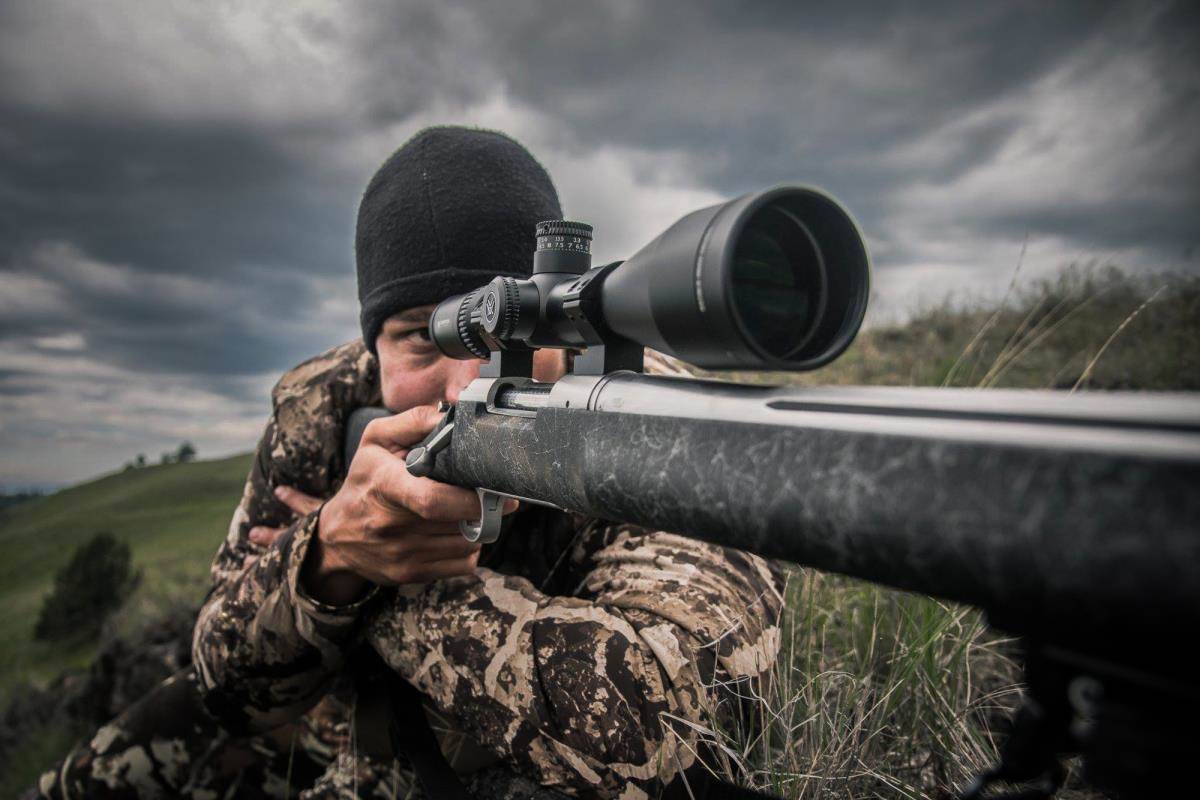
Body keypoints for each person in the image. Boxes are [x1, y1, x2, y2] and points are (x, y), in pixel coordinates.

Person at [37, 126, 785, 799]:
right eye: (425, 338)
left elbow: (663, 730)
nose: (465, 386)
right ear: (374, 347)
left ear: (567, 319)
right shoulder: (321, 407)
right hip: (323, 721)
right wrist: (323, 553)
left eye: (509, 332)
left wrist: (374, 574)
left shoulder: (657, 422)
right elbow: (223, 677)